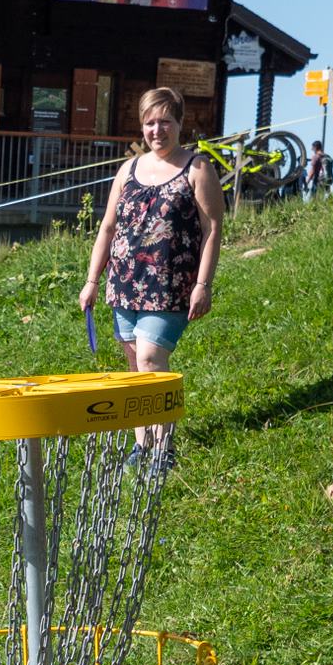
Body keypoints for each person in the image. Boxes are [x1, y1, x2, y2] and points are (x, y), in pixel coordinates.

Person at [78, 85, 223, 452]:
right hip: (124, 284)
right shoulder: (128, 169)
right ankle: (142, 445)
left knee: (150, 359)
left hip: (171, 285)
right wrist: (92, 280)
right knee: (133, 367)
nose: (157, 130)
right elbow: (108, 227)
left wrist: (203, 284)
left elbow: (212, 230)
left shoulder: (197, 168)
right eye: (150, 123)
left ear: (180, 124)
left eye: (165, 122)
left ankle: (164, 448)